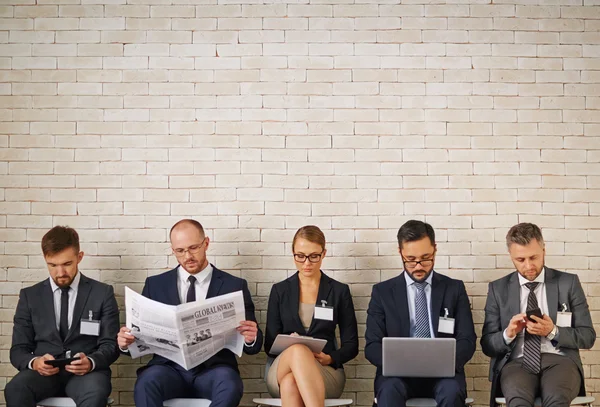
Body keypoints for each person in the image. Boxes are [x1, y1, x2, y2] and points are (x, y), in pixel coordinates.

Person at [117, 219, 263, 407]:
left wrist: (251, 338)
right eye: (180, 251)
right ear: (173, 250)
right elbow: (139, 339)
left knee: (230, 383)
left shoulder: (234, 285)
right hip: (168, 370)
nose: (187, 256)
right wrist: (125, 343)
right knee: (146, 382)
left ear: (206, 243)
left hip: (214, 370)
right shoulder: (155, 285)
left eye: (193, 248)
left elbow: (254, 346)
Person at [481, 223, 596, 407]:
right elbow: (487, 344)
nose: (528, 266)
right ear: (510, 256)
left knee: (556, 399)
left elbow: (588, 336)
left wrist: (553, 331)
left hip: (561, 362)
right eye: (520, 259)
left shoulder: (568, 283)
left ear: (544, 250)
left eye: (534, 257)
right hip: (517, 363)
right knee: (518, 402)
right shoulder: (497, 289)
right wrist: (508, 334)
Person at [5, 226, 120, 407]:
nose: (60, 273)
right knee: (15, 389)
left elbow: (111, 344)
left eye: (67, 264)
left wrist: (91, 362)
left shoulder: (102, 293)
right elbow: (18, 349)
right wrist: (35, 362)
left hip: (87, 375)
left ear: (79, 257)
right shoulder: (29, 296)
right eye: (53, 265)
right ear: (45, 259)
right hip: (42, 375)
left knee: (96, 394)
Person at [365, 220, 476, 407]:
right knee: (389, 391)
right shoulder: (382, 292)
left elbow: (467, 340)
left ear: (435, 249)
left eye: (425, 258)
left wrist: (444, 363)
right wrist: (402, 363)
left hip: (444, 375)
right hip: (397, 376)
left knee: (452, 393)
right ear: (400, 252)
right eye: (410, 259)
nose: (418, 266)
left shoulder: (454, 289)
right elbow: (372, 346)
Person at [264, 225, 359, 407]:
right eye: (300, 256)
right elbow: (269, 345)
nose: (306, 263)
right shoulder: (279, 291)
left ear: (323, 254)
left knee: (291, 383)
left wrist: (330, 358)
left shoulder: (339, 291)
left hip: (325, 370)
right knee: (298, 350)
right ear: (293, 253)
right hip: (281, 367)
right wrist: (291, 345)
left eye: (313, 256)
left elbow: (352, 345)